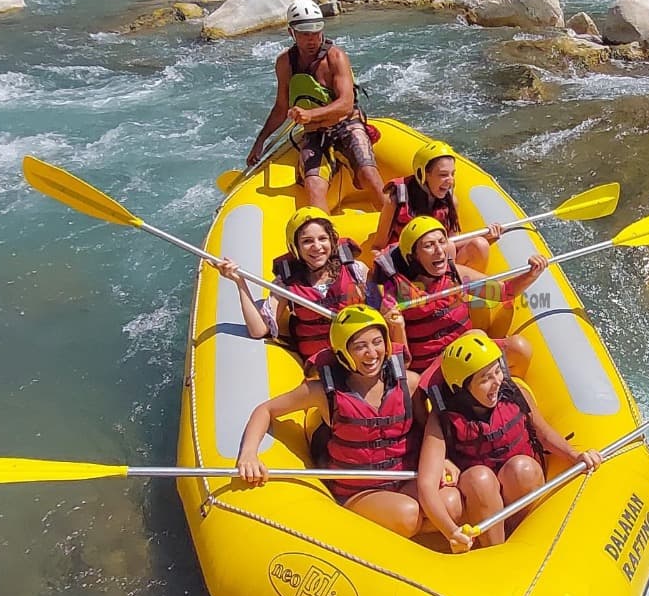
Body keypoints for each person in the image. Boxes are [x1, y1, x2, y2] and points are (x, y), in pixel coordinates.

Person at [236, 305, 463, 538]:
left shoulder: (410, 384)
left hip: (405, 478)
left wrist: (443, 459)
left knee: (452, 503)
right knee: (408, 515)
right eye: (360, 346)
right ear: (343, 352)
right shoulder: (322, 392)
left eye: (377, 342)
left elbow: (426, 428)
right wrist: (248, 454)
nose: (372, 353)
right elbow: (266, 410)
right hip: (360, 489)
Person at [417, 332, 603, 551]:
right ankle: (496, 550)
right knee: (480, 478)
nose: (497, 382)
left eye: (497, 372)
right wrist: (452, 532)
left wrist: (576, 455)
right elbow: (426, 486)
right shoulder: (443, 420)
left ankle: (522, 538)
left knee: (522, 468)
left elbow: (543, 434)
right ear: (462, 388)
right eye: (485, 379)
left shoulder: (513, 391)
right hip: (480, 497)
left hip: (519, 485)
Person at [245, 0, 386, 213]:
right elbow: (281, 107)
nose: (312, 39)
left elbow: (346, 104)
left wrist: (311, 114)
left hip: (346, 125)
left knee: (368, 173)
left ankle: (393, 225)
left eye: (316, 32)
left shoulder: (335, 57)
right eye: (305, 34)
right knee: (313, 186)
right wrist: (260, 142)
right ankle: (326, 241)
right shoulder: (285, 63)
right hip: (314, 133)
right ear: (291, 33)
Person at [217, 207, 390, 366]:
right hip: (321, 363)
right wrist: (240, 283)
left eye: (323, 239)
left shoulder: (356, 271)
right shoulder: (286, 284)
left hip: (361, 358)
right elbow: (258, 330)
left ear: (332, 241)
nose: (317, 247)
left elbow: (379, 313)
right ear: (296, 247)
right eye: (307, 241)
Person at [373, 215, 545, 374]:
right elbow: (402, 364)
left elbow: (504, 292)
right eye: (428, 245)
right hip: (430, 370)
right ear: (412, 257)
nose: (440, 251)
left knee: (519, 349)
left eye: (442, 242)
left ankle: (503, 389)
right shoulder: (394, 296)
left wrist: (531, 274)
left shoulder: (456, 274)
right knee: (477, 335)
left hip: (469, 354)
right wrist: (397, 327)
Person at [371, 140, 502, 270]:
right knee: (447, 248)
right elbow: (377, 248)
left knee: (480, 245)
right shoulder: (396, 202)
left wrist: (486, 235)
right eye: (443, 175)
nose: (450, 180)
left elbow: (453, 241)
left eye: (452, 174)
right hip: (408, 265)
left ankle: (458, 287)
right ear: (423, 174)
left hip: (438, 263)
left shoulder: (451, 201)